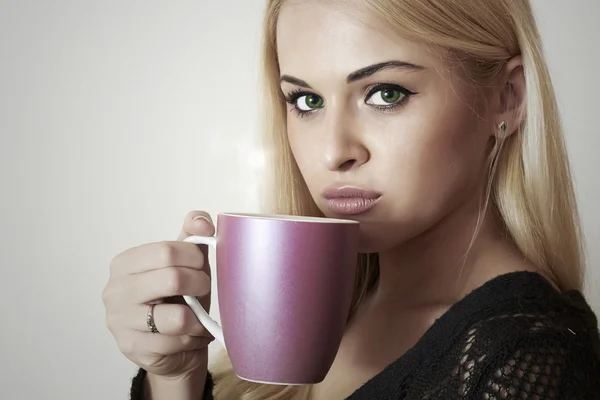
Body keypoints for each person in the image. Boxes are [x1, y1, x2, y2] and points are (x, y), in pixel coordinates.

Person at [102, 0, 600, 399]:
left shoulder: (528, 356)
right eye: (307, 101)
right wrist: (174, 378)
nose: (334, 152)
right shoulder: (316, 311)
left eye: (385, 94)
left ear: (507, 98)